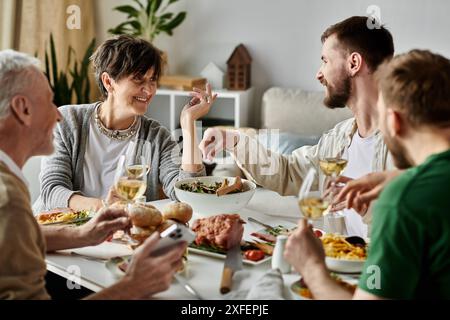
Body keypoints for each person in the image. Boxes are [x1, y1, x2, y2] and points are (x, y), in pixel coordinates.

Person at [0, 49, 186, 299]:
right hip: (66, 267)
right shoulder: (8, 199)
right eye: (48, 101)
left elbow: (20, 238)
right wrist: (133, 286)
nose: (57, 114)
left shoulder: (9, 187)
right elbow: (51, 192)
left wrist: (82, 234)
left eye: (152, 80)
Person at [199, 16, 395, 237]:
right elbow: (288, 173)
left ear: (353, 63)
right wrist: (233, 140)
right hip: (341, 263)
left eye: (325, 61)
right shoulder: (339, 138)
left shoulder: (408, 141)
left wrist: (369, 207)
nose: (319, 74)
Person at [284, 49, 450, 299]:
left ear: (394, 122)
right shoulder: (411, 190)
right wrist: (398, 179)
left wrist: (311, 267)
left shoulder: (402, 201)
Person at [33, 35, 213, 213]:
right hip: (60, 232)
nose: (149, 90)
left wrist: (188, 123)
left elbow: (188, 195)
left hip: (119, 237)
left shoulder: (158, 137)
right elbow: (52, 191)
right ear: (108, 82)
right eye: (138, 79)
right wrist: (102, 207)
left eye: (152, 80)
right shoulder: (68, 121)